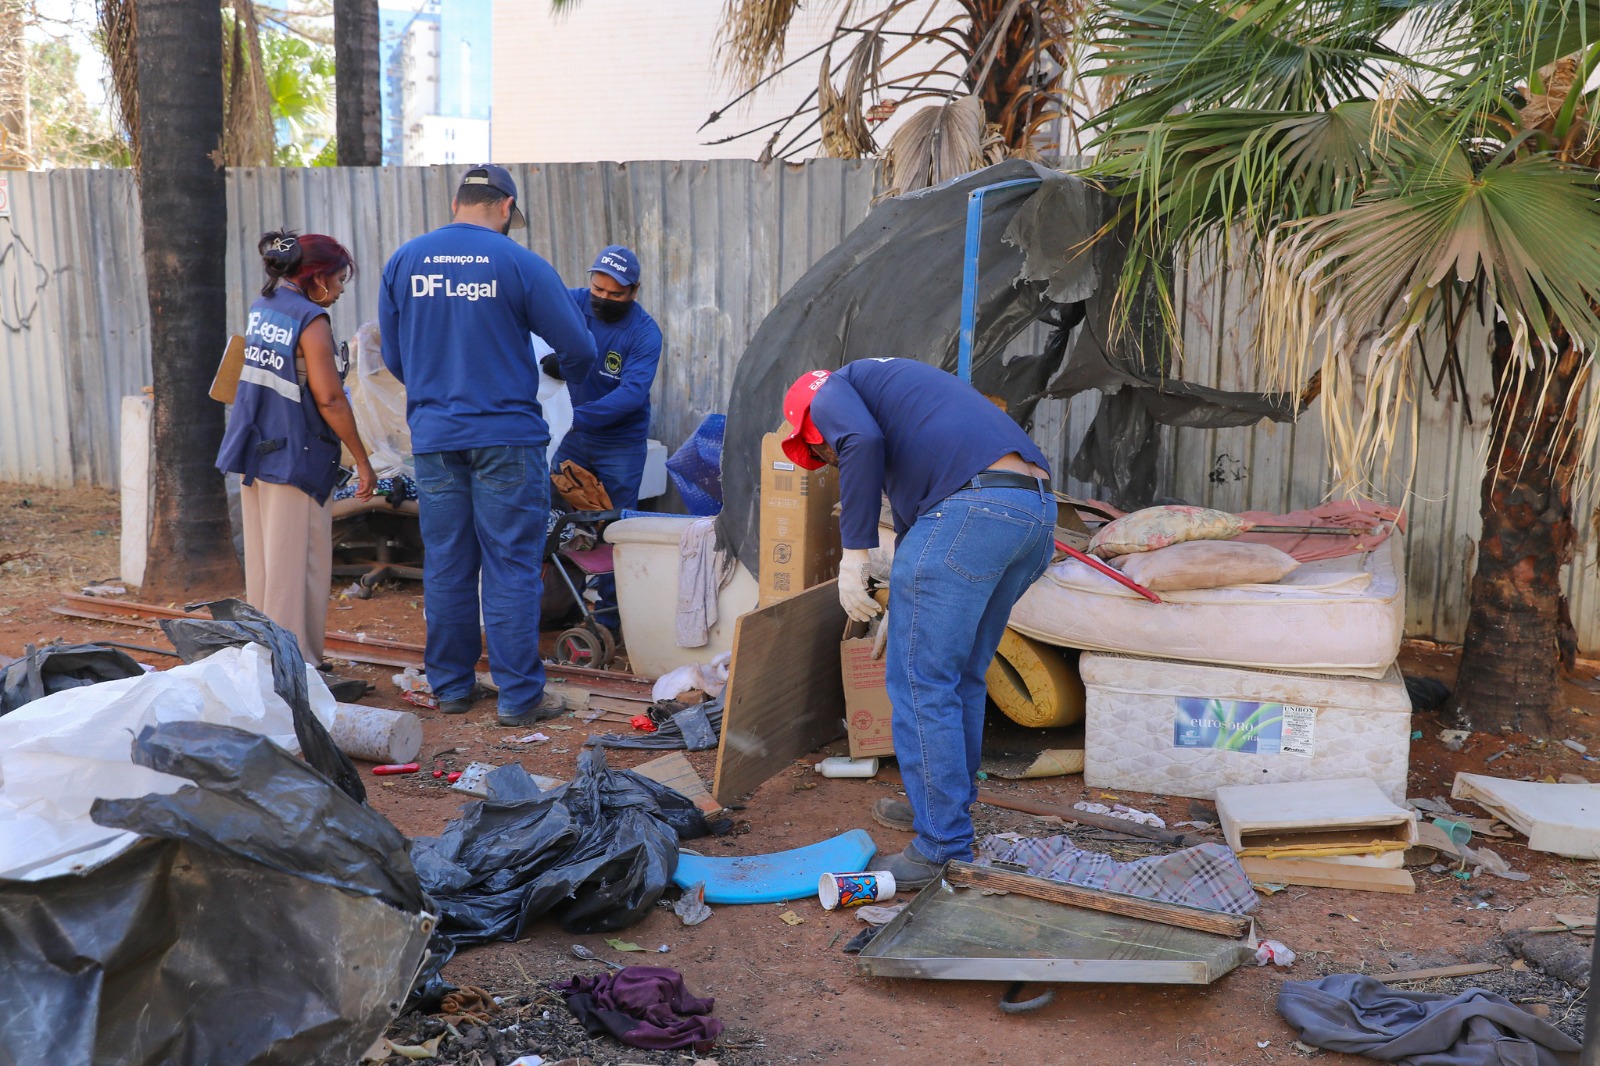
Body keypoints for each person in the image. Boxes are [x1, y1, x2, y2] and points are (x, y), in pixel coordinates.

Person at [780, 358, 1057, 888]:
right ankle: (946, 806)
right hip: (1032, 514)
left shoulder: (827, 389)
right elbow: (918, 525)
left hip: (974, 511)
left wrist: (854, 554)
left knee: (920, 682)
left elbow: (859, 440)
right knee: (962, 676)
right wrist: (906, 600)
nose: (829, 459)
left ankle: (941, 845)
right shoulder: (908, 406)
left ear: (811, 425)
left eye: (821, 452)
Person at [379, 164, 597, 726]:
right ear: (505, 208)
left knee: (448, 563)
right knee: (510, 564)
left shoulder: (405, 261)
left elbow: (396, 359)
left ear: (458, 203)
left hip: (434, 438)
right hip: (506, 436)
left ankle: (451, 687)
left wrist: (437, 389)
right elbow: (579, 346)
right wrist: (562, 370)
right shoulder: (518, 262)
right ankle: (519, 698)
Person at [216, 230, 375, 666]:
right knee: (296, 571)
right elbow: (329, 398)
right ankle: (293, 665)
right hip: (296, 459)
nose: (341, 290)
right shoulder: (311, 320)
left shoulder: (263, 306)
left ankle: (266, 658)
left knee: (267, 570)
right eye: (340, 279)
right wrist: (361, 459)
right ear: (319, 278)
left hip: (256, 453)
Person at [544, 245, 663, 626]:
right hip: (569, 436)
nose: (603, 300)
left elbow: (631, 395)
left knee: (615, 528)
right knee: (557, 520)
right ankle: (558, 606)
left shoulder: (644, 334)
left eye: (615, 295)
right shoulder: (570, 302)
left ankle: (611, 620)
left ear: (634, 291)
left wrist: (572, 417)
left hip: (619, 444)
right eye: (598, 290)